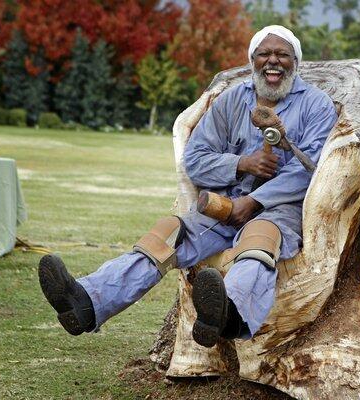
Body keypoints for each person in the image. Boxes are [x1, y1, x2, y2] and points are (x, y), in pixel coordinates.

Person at [38, 25, 338, 348]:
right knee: (167, 235)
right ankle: (86, 301)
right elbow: (195, 159)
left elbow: (313, 170)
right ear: (253, 60)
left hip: (279, 211)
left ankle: (228, 314)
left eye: (282, 54)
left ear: (296, 61)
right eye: (264, 54)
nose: (273, 61)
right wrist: (241, 164)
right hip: (226, 205)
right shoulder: (231, 101)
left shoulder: (316, 105)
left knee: (259, 240)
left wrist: (254, 201)